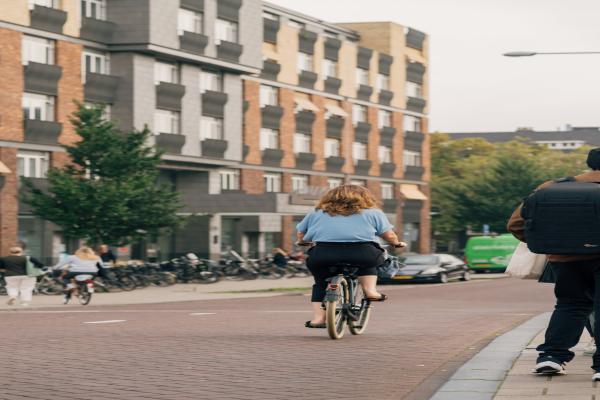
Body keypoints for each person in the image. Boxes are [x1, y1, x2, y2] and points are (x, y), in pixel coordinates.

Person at [508, 148, 600, 380]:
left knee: (570, 305)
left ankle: (551, 357)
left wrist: (552, 244)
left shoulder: (551, 187)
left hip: (565, 260)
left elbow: (516, 224)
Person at [296, 184, 405, 328]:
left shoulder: (316, 212)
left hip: (323, 253)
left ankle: (318, 319)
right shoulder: (373, 213)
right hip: (362, 252)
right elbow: (389, 235)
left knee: (320, 283)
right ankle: (370, 291)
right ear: (364, 197)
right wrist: (396, 243)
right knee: (369, 262)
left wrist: (303, 242)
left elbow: (301, 234)